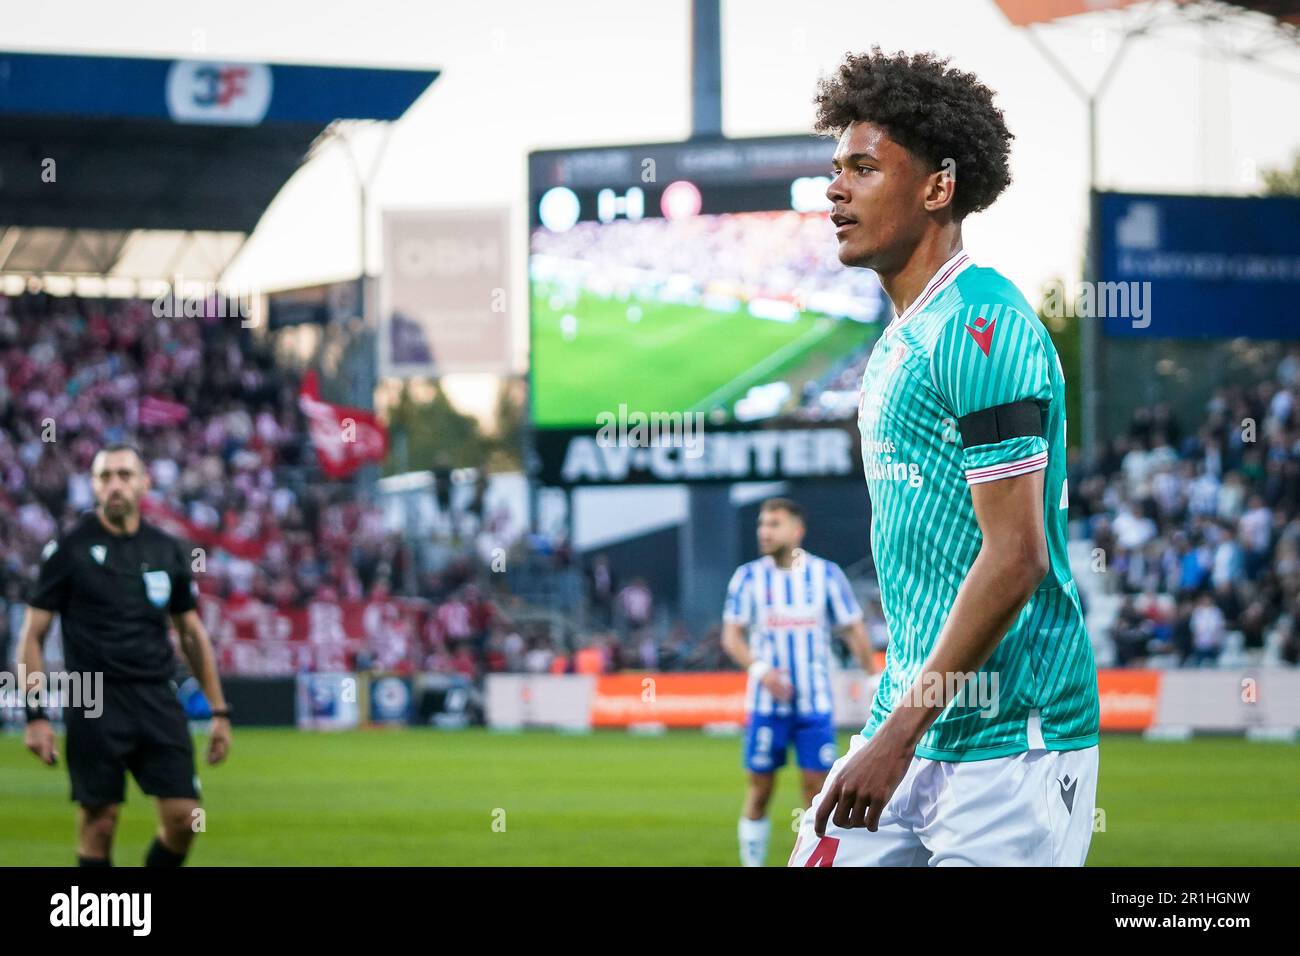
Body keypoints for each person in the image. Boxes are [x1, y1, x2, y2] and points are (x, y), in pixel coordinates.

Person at [789, 49, 1099, 867]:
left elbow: (1018, 553)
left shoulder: (979, 324)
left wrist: (896, 733)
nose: (835, 188)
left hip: (1014, 748)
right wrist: (898, 723)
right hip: (915, 718)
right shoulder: (902, 338)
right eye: (835, 167)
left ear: (938, 187)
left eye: (863, 167)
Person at [19, 443, 231, 867]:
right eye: (105, 477)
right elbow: (32, 635)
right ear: (94, 486)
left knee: (186, 819)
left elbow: (190, 632)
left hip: (157, 696)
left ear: (145, 483)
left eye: (124, 475)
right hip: (94, 698)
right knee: (100, 822)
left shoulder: (167, 549)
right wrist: (36, 716)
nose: (115, 485)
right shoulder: (68, 550)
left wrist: (219, 710)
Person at [721, 497, 876, 867]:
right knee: (760, 789)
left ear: (796, 530)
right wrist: (761, 671)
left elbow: (853, 629)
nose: (765, 531)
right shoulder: (747, 577)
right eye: (762, 524)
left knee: (817, 791)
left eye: (774, 524)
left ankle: (812, 860)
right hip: (765, 705)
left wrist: (872, 678)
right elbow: (732, 636)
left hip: (814, 704)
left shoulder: (825, 575)